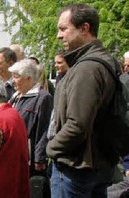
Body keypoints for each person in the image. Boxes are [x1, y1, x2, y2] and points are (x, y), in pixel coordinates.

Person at [47, 3, 118, 197]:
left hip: (76, 167)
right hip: (96, 163)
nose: (58, 35)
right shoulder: (102, 61)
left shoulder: (87, 68)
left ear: (84, 28)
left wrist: (52, 148)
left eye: (63, 29)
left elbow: (78, 124)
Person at [8, 60, 53, 178]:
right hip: (14, 153)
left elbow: (44, 129)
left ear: (28, 78)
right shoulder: (16, 95)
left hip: (29, 158)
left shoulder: (43, 98)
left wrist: (40, 157)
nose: (13, 81)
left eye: (16, 77)